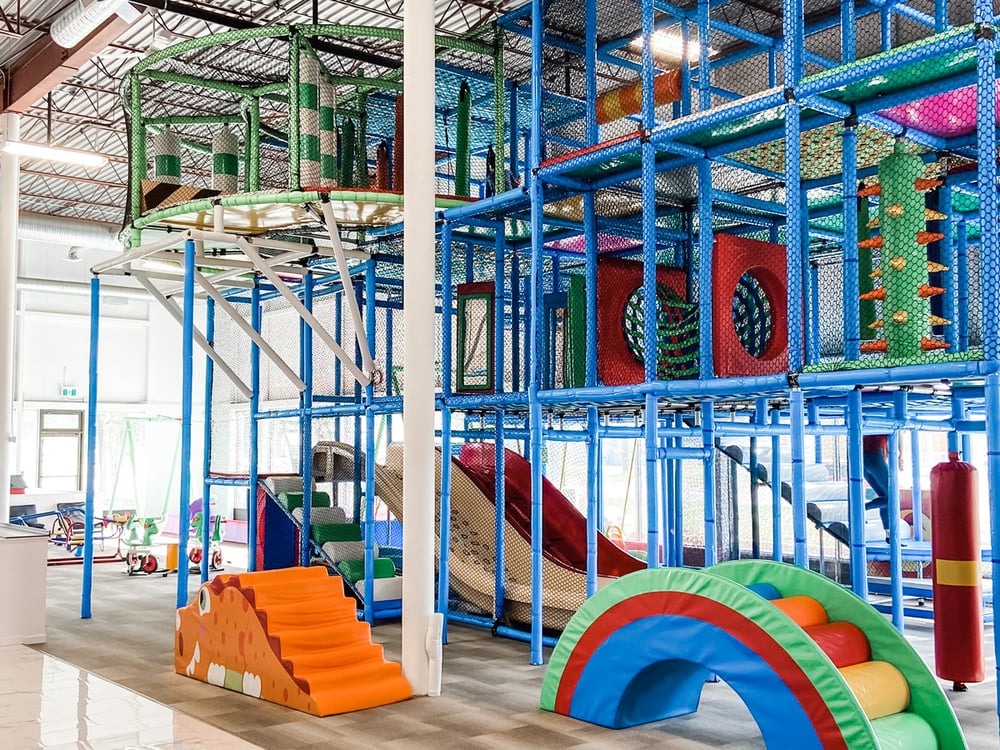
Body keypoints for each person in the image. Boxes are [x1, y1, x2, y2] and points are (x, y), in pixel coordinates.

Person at [862, 434, 890, 538]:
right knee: (894, 497)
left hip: (865, 456)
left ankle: (889, 534)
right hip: (873, 453)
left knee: (886, 497)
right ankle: (861, 509)